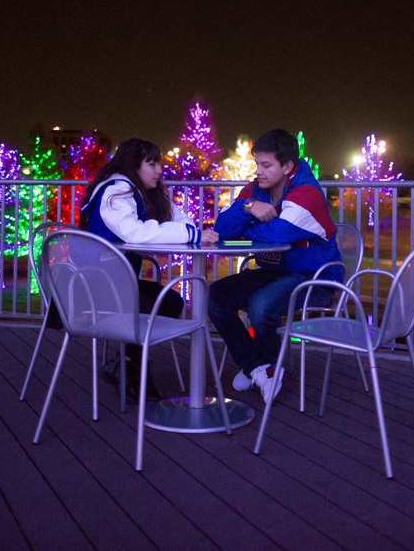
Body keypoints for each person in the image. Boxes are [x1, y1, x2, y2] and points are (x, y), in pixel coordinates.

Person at [76, 138, 219, 401]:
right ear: (134, 165)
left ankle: (126, 366)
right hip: (97, 289)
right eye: (151, 164)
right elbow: (136, 233)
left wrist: (190, 230)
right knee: (165, 303)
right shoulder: (116, 192)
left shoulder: (139, 192)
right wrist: (191, 233)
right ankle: (132, 369)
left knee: (169, 301)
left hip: (113, 282)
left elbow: (178, 216)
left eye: (159, 164)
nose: (159, 170)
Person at [209, 128, 342, 400]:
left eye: (266, 165)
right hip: (274, 271)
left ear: (287, 167)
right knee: (213, 295)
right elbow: (222, 229)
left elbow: (277, 235)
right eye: (257, 163)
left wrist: (245, 230)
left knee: (261, 306)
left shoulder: (307, 192)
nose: (258, 171)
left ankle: (262, 369)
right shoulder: (255, 190)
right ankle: (259, 368)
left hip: (314, 277)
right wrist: (247, 207)